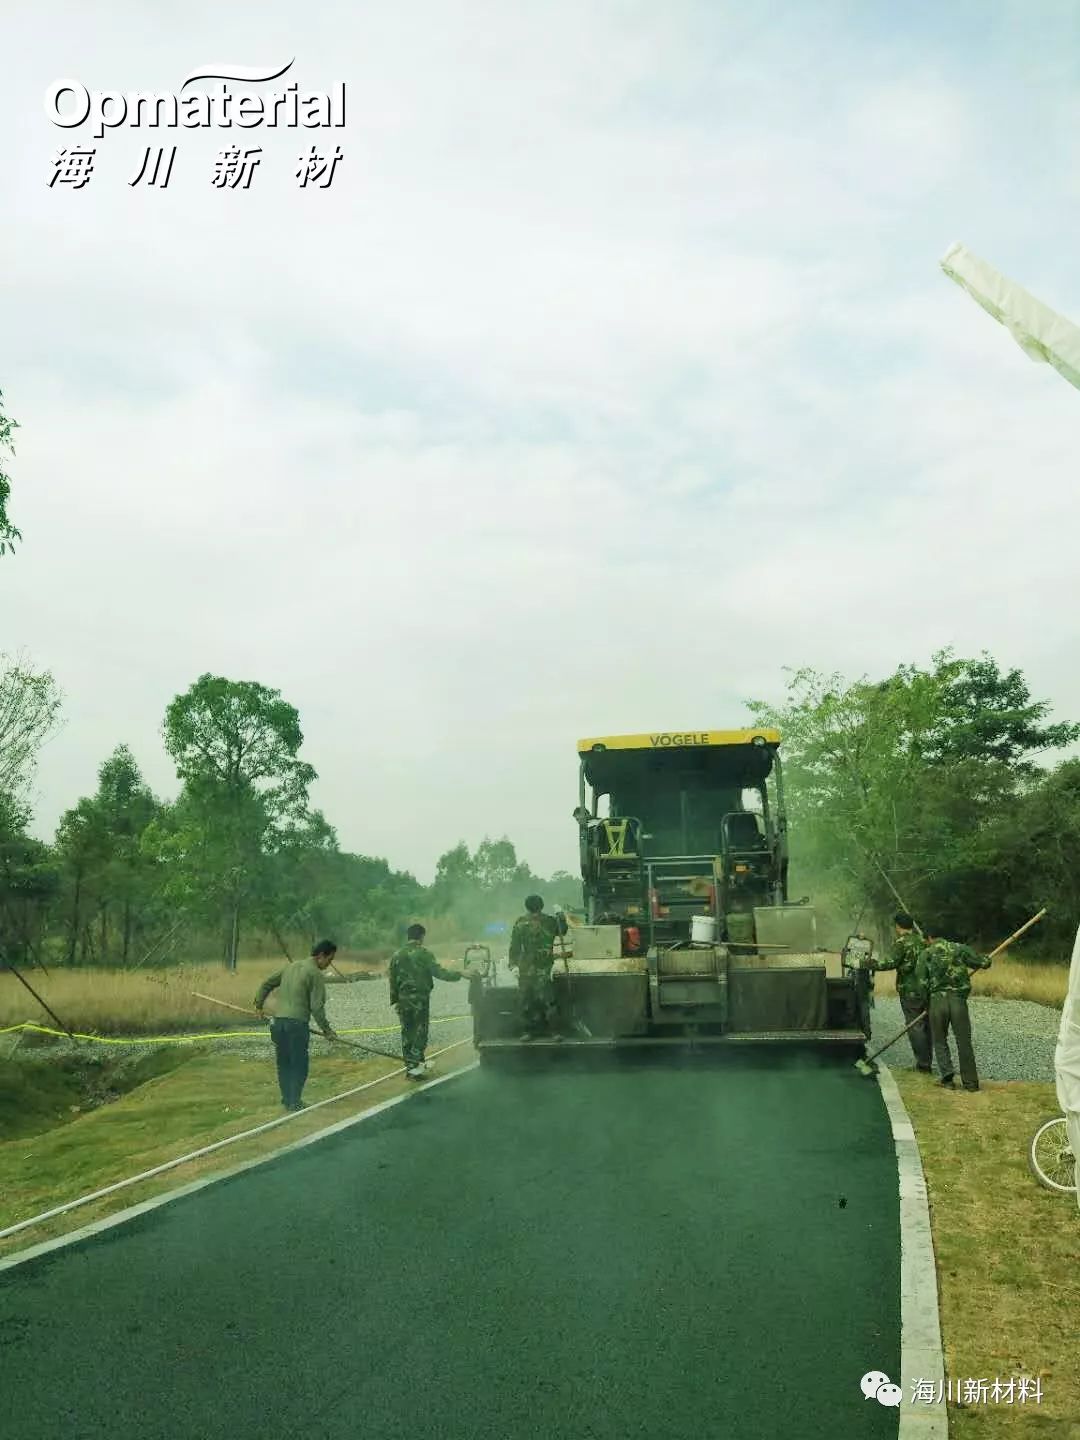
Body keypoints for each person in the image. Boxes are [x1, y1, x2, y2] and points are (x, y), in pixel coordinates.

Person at [254, 939, 340, 1112]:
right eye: (329, 960)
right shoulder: (315, 974)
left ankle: (287, 1099)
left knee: (284, 1063)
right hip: (297, 1025)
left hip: (278, 1024)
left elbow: (266, 983)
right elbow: (317, 1008)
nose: (329, 965)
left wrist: (258, 1004)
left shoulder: (291, 967)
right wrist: (327, 1031)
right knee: (299, 1064)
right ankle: (295, 1101)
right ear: (321, 955)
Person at [389, 923, 465, 1079]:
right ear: (422, 936)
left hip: (403, 1000)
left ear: (408, 936)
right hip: (420, 1000)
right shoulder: (424, 954)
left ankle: (410, 1067)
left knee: (407, 1033)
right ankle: (415, 1068)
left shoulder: (397, 955)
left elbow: (392, 980)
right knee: (420, 1033)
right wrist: (460, 974)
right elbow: (439, 972)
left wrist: (395, 1001)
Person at [920, 931, 992, 1091]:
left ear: (929, 938)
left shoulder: (926, 953)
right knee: (963, 1041)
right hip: (958, 1001)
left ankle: (947, 1079)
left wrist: (927, 1004)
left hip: (937, 1001)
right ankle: (971, 1083)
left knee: (939, 1040)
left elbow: (921, 983)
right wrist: (987, 959)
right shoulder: (960, 948)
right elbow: (982, 963)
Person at [871, 913, 932, 1073]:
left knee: (915, 1026)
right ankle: (928, 1061)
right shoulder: (923, 941)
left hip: (909, 990)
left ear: (897, 926)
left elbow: (890, 963)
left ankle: (923, 1065)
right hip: (926, 988)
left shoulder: (901, 943)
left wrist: (870, 964)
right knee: (926, 1025)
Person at [508, 894, 568, 1041]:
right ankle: (554, 1032)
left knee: (526, 1000)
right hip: (544, 965)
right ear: (541, 906)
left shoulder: (520, 922)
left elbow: (514, 947)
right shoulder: (550, 921)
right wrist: (560, 914)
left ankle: (527, 1032)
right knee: (548, 1000)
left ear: (526, 906)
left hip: (526, 966)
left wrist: (513, 965)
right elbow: (563, 930)